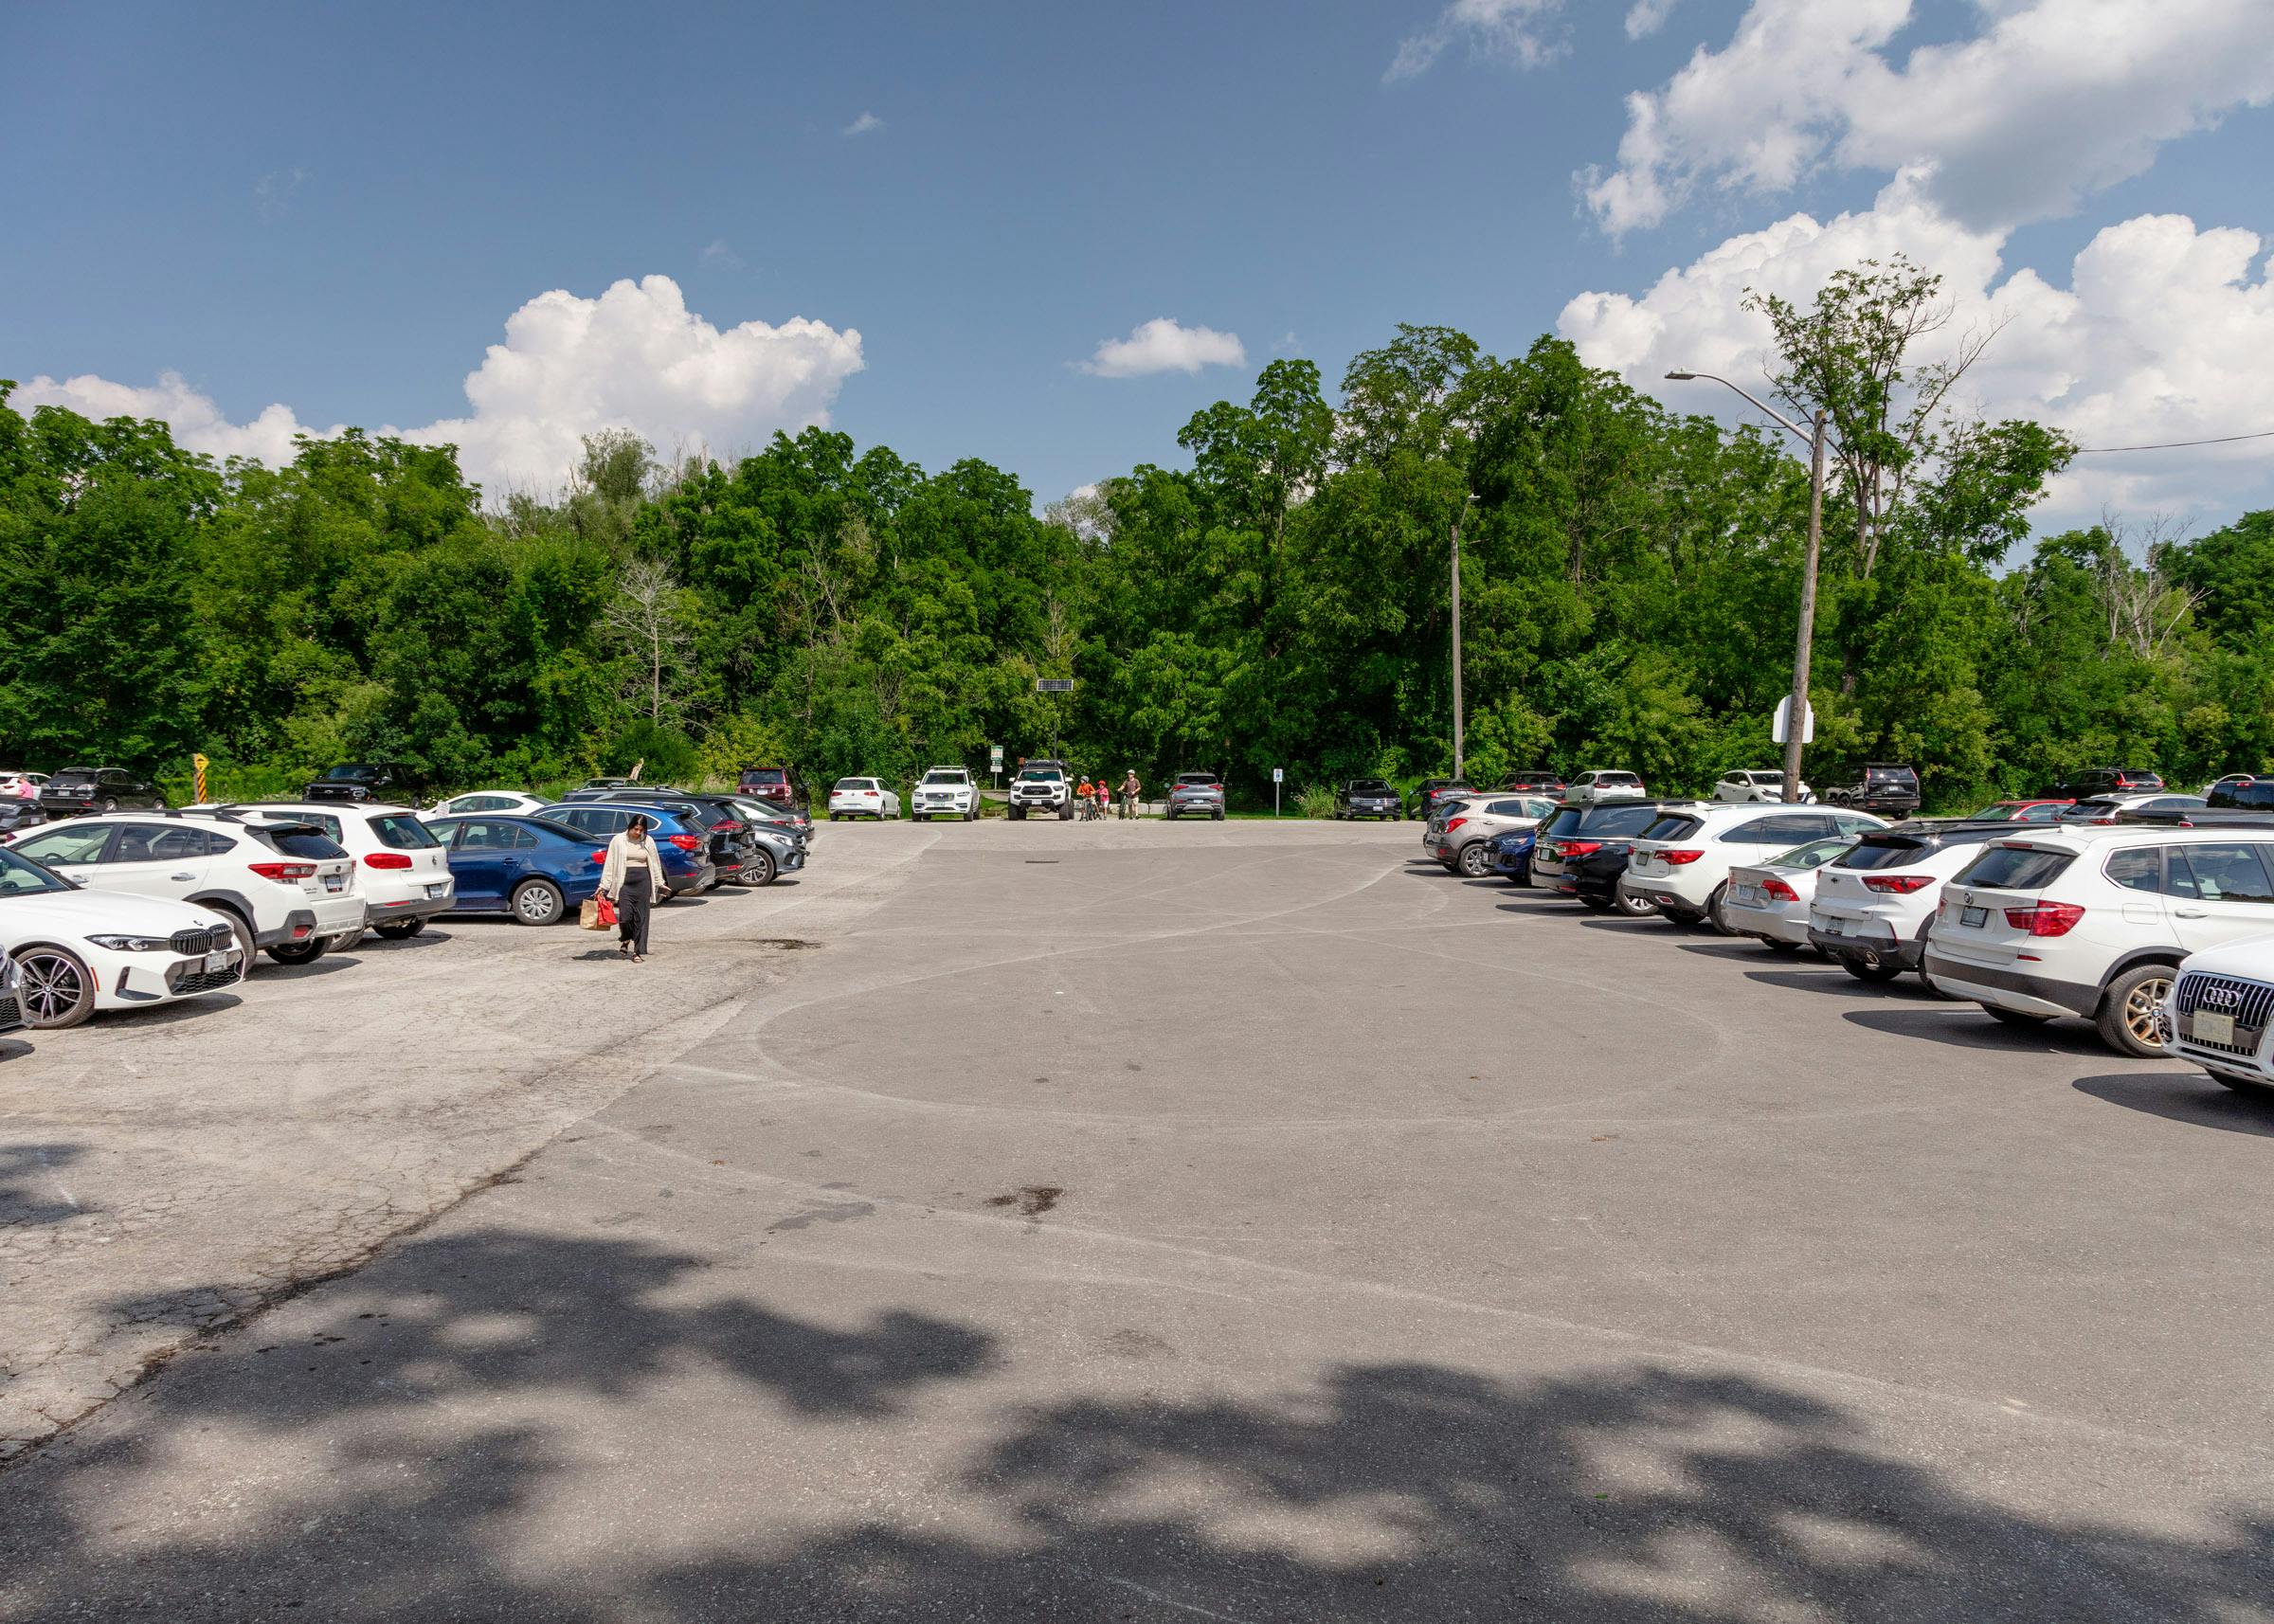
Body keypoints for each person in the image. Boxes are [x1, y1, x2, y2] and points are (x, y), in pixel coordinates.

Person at [598, 813, 660, 962]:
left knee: (641, 918)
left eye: (641, 830)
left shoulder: (648, 841)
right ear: (630, 826)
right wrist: (603, 886)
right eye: (635, 829)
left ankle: (637, 951)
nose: (638, 833)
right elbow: (610, 864)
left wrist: (660, 883)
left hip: (643, 882)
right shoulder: (618, 840)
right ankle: (626, 939)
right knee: (625, 918)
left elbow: (655, 863)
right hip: (624, 883)